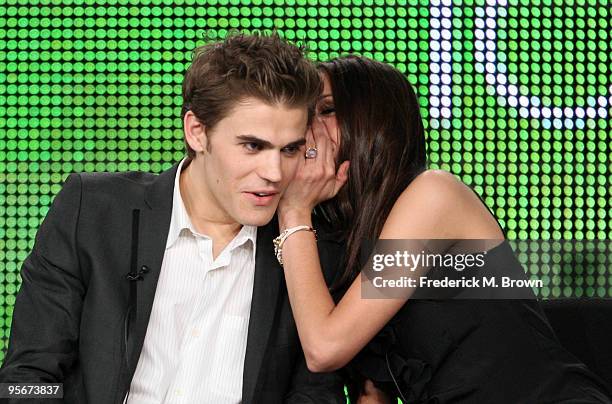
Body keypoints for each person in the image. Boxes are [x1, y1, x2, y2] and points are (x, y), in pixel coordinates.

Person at [0, 33, 348, 404]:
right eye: (252, 146)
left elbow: (316, 397)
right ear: (197, 131)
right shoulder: (93, 210)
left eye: (290, 149)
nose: (275, 172)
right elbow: (25, 379)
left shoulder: (310, 254)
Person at [275, 55, 612, 402]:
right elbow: (372, 393)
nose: (307, 129)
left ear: (374, 121)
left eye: (327, 110)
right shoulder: (349, 238)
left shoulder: (434, 194)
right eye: (306, 114)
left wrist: (295, 210)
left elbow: (326, 348)